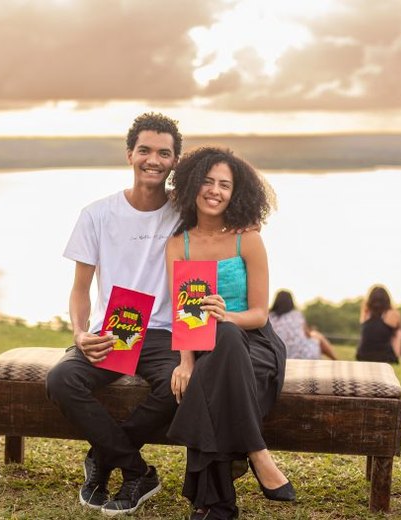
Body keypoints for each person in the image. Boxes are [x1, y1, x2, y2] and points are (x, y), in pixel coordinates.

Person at [45, 113, 183, 516]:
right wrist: (79, 332)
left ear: (175, 160)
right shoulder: (97, 214)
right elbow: (80, 288)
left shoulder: (185, 214)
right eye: (145, 150)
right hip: (117, 329)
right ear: (130, 154)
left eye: (163, 152)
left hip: (164, 334)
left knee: (180, 386)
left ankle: (102, 459)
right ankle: (137, 469)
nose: (153, 159)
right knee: (62, 378)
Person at [165, 146, 294, 520]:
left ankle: (212, 503)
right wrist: (185, 362)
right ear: (192, 185)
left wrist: (228, 317)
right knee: (212, 366)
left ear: (236, 193)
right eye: (207, 181)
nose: (215, 190)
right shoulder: (179, 244)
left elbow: (258, 313)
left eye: (225, 184)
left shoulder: (247, 238)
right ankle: (256, 452)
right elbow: (183, 311)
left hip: (254, 342)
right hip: (204, 344)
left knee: (226, 338)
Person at [269, 290, 337, 360]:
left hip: (277, 355)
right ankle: (335, 360)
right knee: (317, 335)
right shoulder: (297, 315)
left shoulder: (269, 317)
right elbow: (307, 334)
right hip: (303, 355)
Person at [356, 285, 401, 365]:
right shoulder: (393, 313)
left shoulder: (366, 313)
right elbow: (399, 327)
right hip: (386, 358)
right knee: (399, 333)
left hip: (362, 357)